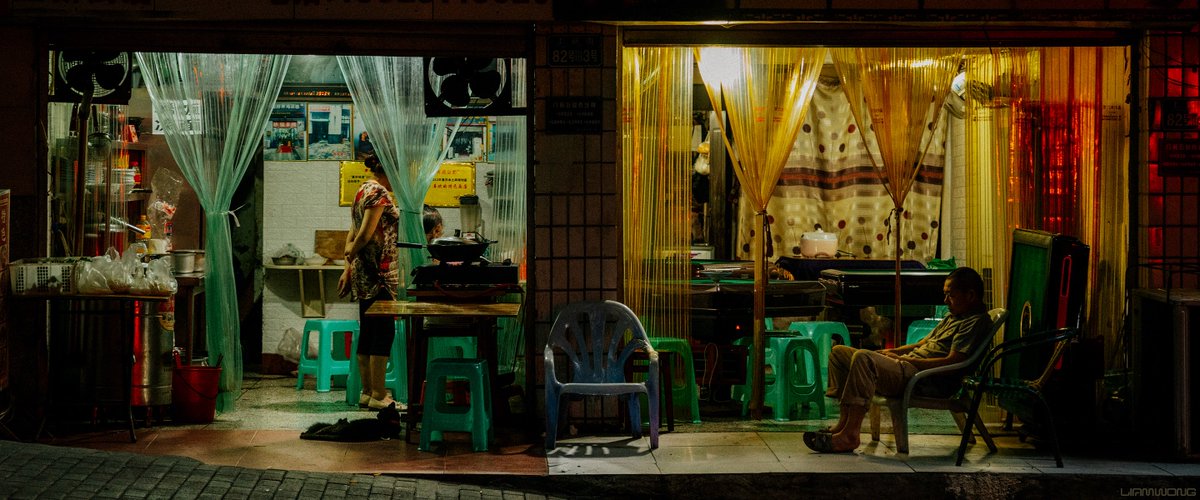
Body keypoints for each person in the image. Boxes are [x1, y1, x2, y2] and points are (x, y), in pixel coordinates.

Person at [803, 266, 993, 453]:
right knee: (839, 353)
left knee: (863, 358)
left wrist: (909, 362)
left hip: (923, 378)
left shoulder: (976, 322)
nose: (945, 301)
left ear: (970, 295)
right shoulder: (954, 317)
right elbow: (922, 343)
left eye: (950, 295)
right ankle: (842, 425)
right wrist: (893, 352)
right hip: (907, 366)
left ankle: (851, 434)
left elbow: (952, 363)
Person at [337, 153, 403, 411]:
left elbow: (351, 232)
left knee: (368, 331)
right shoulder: (380, 194)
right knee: (382, 332)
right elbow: (363, 233)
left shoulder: (362, 190)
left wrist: (348, 267)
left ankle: (366, 392)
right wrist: (350, 257)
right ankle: (379, 394)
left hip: (364, 272)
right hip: (380, 275)